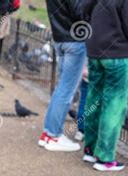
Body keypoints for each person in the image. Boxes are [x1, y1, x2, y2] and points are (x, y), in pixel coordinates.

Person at [82, 0, 128, 171]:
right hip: (116, 54)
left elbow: (84, 13)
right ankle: (104, 158)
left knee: (94, 98)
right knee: (114, 104)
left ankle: (90, 149)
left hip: (95, 51)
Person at [37, 0, 85, 152]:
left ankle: (48, 133)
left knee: (62, 88)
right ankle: (54, 135)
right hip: (74, 40)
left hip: (60, 37)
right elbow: (80, 12)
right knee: (66, 91)